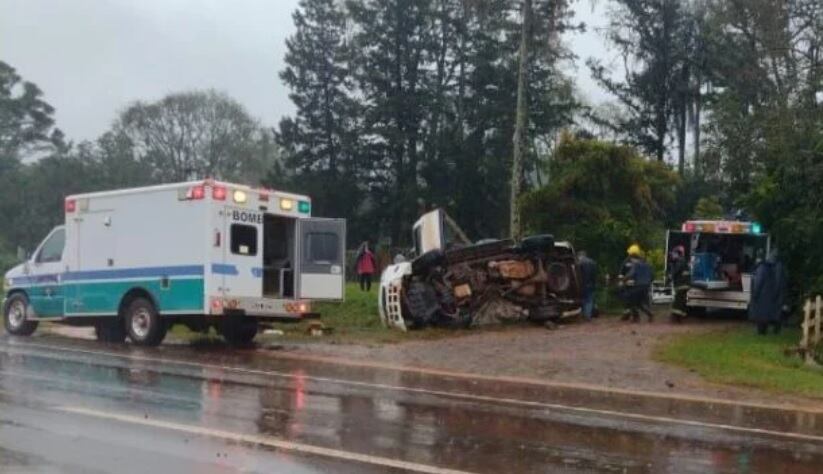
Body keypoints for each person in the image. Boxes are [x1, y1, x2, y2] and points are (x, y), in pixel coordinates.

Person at [749, 249, 787, 335]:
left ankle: (762, 332)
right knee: (769, 313)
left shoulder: (761, 268)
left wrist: (754, 294)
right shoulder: (772, 267)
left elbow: (758, 283)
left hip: (762, 296)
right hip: (768, 295)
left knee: (761, 315)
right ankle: (770, 330)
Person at [620, 244, 654, 323]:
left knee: (631, 300)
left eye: (632, 259)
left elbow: (630, 274)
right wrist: (648, 282)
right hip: (646, 286)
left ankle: (636, 318)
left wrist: (623, 281)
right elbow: (652, 276)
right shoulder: (647, 264)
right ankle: (650, 314)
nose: (631, 260)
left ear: (634, 259)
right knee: (640, 303)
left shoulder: (636, 265)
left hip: (638, 286)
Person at [668, 245, 690, 323]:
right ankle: (679, 317)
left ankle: (675, 318)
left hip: (681, 284)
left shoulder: (680, 261)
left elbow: (676, 271)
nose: (672, 255)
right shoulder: (682, 261)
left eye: (673, 254)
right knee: (681, 301)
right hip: (684, 284)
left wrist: (670, 275)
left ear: (678, 254)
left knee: (678, 301)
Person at [577, 251, 598, 321]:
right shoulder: (593, 262)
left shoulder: (579, 263)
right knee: (589, 300)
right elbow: (595, 275)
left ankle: (584, 315)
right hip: (591, 284)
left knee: (583, 300)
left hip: (582, 284)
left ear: (580, 255)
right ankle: (588, 315)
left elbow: (578, 275)